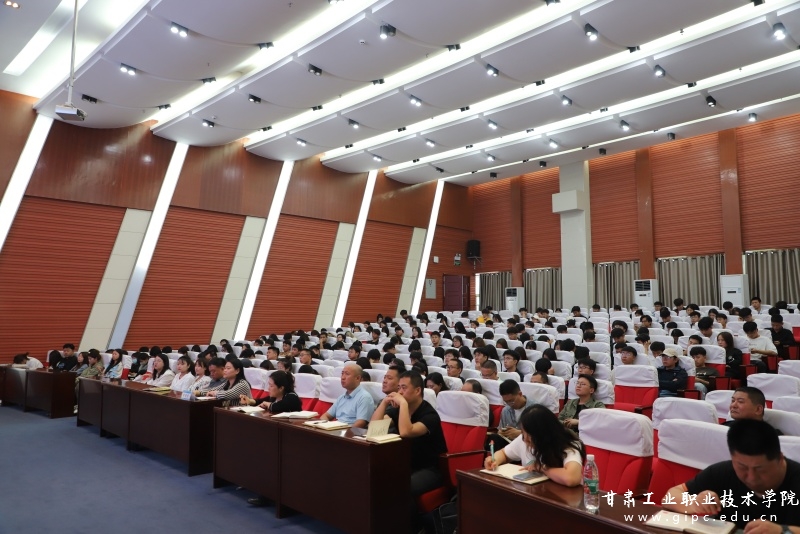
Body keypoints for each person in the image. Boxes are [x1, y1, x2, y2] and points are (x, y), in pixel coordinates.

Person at [662, 419, 800, 530]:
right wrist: (693, 504)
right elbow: (669, 497)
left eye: (760, 469)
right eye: (742, 467)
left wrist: (782, 531)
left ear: (780, 458)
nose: (751, 477)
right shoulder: (723, 472)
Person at [484, 405, 584, 487]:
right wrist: (494, 460)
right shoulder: (523, 439)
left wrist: (542, 468)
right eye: (523, 432)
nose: (525, 439)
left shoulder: (568, 445)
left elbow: (572, 478)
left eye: (530, 434)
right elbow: (504, 454)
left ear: (543, 434)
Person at [318, 364, 374, 428]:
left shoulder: (364, 397)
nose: (343, 377)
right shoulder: (341, 397)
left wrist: (344, 432)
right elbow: (326, 416)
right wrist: (324, 426)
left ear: (358, 378)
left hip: (349, 431)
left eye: (347, 374)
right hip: (335, 429)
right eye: (342, 374)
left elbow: (360, 423)